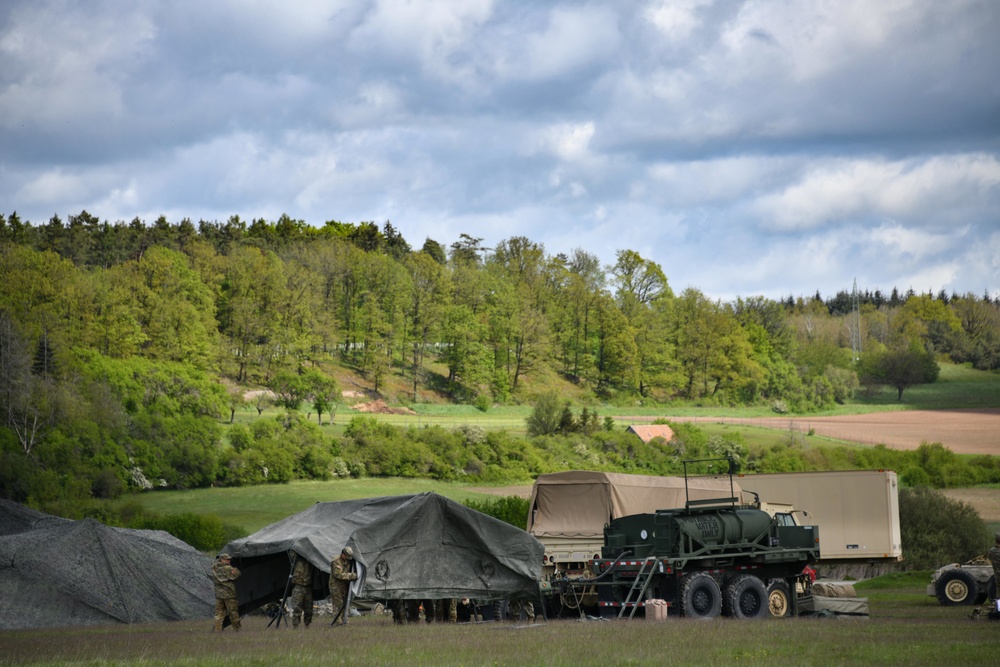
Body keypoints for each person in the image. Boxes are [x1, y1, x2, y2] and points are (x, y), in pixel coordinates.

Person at [210, 553, 241, 632]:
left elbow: (214, 563)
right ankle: (237, 630)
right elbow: (237, 575)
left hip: (219, 595)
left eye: (229, 559)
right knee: (233, 613)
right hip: (229, 594)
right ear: (222, 560)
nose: (229, 561)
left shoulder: (214, 567)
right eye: (227, 559)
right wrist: (236, 570)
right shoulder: (228, 568)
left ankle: (217, 630)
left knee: (219, 614)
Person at [329, 546, 357, 625]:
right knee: (338, 605)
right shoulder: (336, 561)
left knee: (346, 604)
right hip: (336, 586)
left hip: (344, 586)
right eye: (347, 556)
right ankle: (338, 623)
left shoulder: (349, 561)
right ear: (343, 554)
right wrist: (352, 576)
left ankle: (345, 621)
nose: (348, 558)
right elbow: (338, 575)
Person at [288, 550, 313, 628]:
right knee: (297, 608)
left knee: (309, 608)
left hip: (308, 586)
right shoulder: (296, 559)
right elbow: (291, 552)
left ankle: (307, 625)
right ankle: (295, 626)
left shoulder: (310, 560)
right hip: (298, 586)